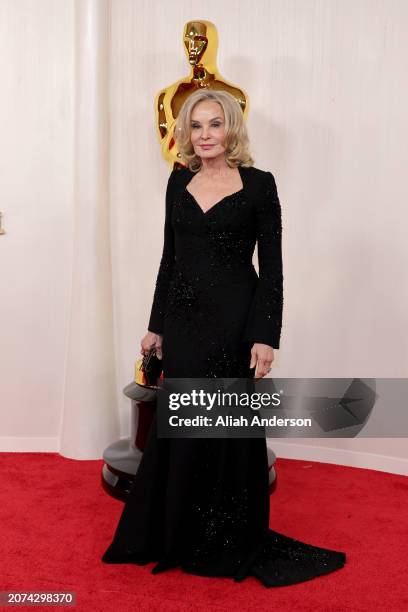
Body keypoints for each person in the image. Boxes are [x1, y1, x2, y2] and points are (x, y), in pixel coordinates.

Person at [101, 90, 346, 587]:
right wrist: (156, 324)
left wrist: (264, 335)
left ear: (232, 129)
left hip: (235, 321)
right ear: (186, 134)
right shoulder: (177, 182)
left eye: (215, 125)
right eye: (196, 126)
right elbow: (169, 259)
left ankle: (224, 536)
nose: (206, 135)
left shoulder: (259, 185)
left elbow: (272, 268)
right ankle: (176, 532)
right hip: (186, 321)